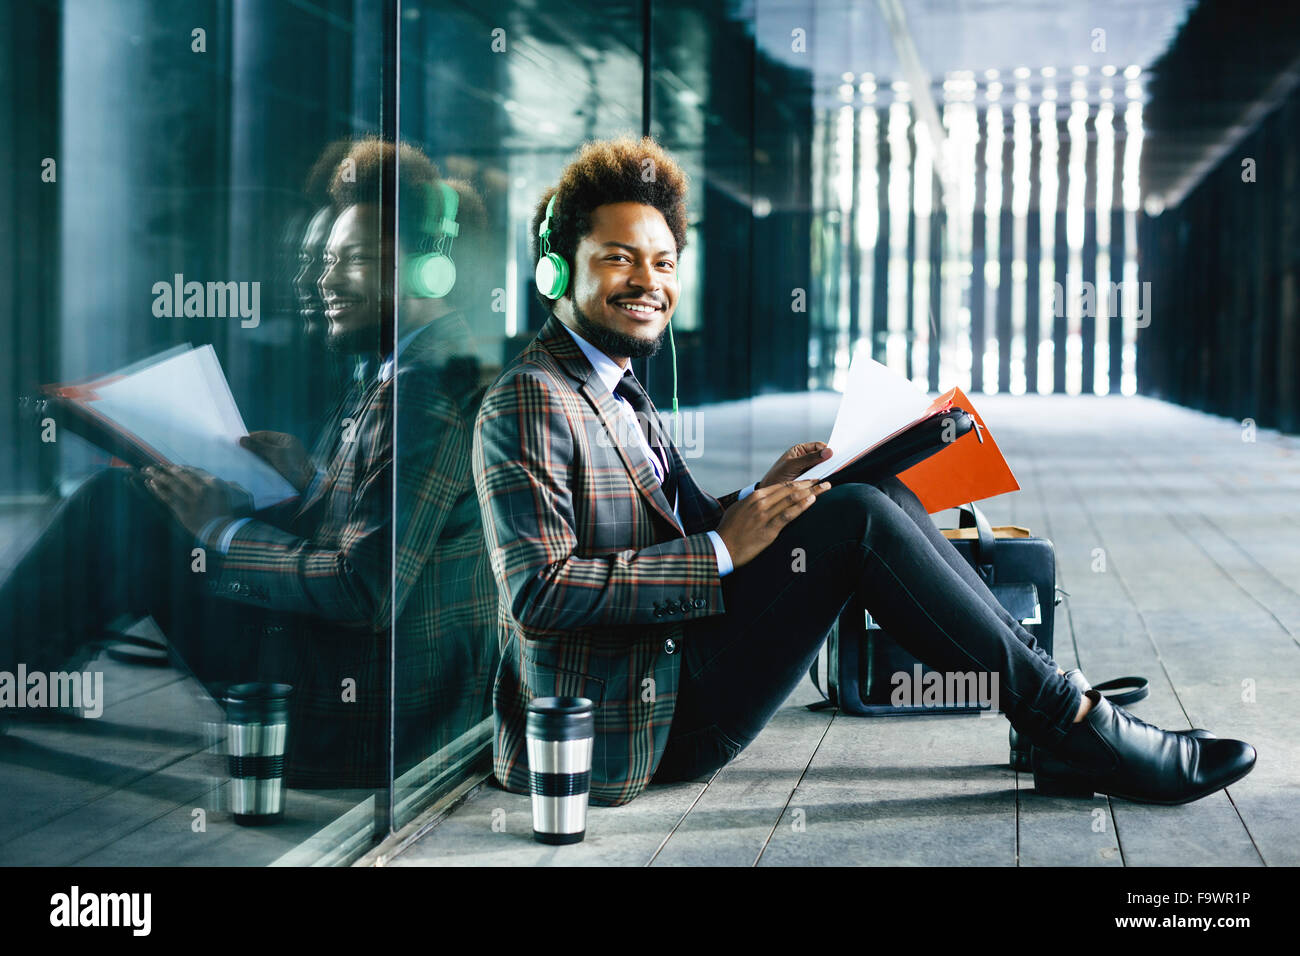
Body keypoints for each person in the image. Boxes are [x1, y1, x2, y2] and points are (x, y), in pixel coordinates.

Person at [472, 135, 1256, 808]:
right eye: (618, 258)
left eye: (664, 261)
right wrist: (720, 551)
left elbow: (664, 527)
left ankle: (1053, 713)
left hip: (675, 662)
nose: (649, 282)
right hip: (637, 720)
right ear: (555, 271)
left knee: (869, 487)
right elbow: (539, 593)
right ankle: (1075, 727)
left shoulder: (614, 386)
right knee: (856, 521)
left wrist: (759, 498)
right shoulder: (530, 402)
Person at [1, 139, 498, 788]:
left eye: (355, 261)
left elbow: (365, 590)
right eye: (324, 261)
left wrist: (221, 532)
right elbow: (394, 538)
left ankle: (18, 671)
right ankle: (21, 674)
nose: (325, 281)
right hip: (394, 702)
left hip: (359, 727)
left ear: (431, 271)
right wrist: (309, 481)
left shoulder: (427, 397)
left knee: (120, 510)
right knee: (145, 499)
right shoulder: (418, 370)